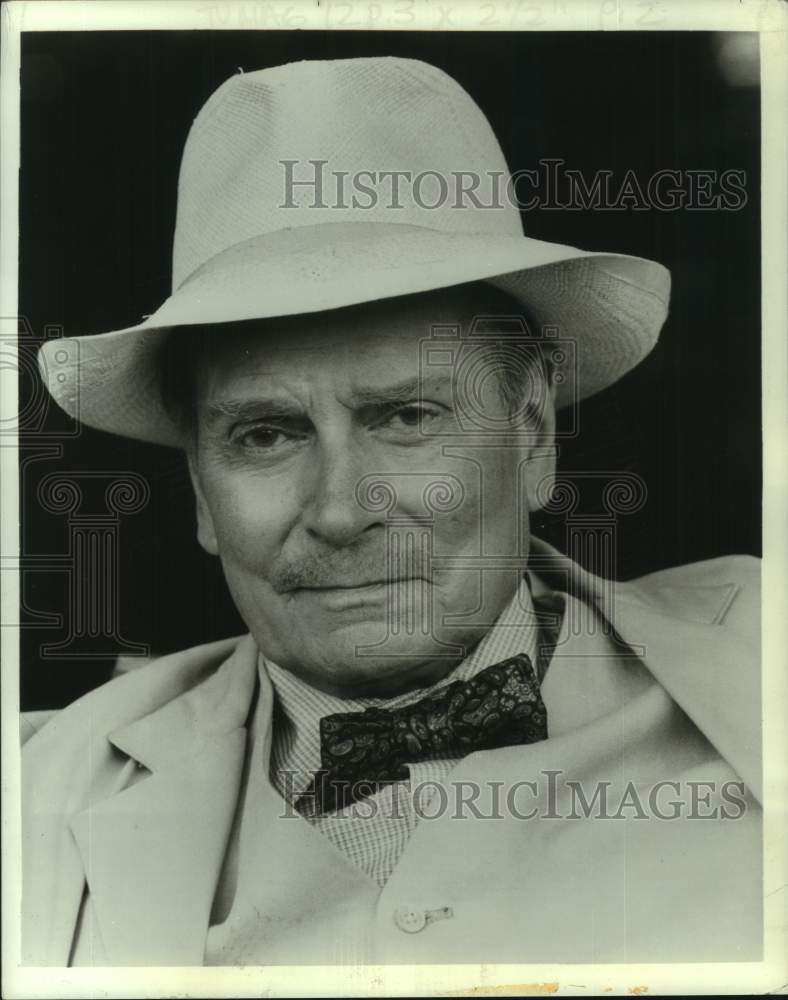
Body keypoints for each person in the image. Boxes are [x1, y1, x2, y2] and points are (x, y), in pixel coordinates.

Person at [22, 56, 761, 967]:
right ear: (200, 490)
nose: (339, 510)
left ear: (532, 436)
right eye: (265, 435)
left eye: (406, 417)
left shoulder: (765, 667)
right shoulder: (37, 794)